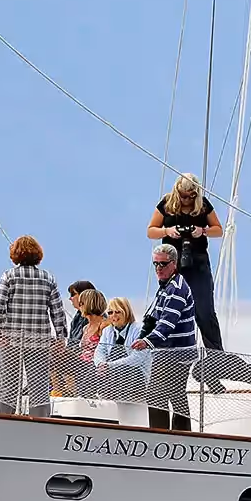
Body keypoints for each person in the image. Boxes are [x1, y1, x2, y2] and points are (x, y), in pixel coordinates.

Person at [104, 242, 198, 431]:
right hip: (168, 352)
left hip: (177, 354)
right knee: (174, 394)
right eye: (155, 264)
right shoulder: (165, 286)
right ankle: (179, 434)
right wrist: (144, 335)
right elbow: (153, 316)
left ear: (174, 264)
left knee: (157, 394)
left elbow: (167, 323)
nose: (158, 268)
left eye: (163, 264)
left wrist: (147, 341)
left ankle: (162, 434)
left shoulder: (177, 289)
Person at [0, 234, 66, 417]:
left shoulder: (8, 276)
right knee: (39, 388)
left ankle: (2, 421)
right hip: (40, 341)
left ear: (15, 254)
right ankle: (40, 423)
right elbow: (57, 311)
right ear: (38, 254)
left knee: (8, 386)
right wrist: (61, 337)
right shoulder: (48, 278)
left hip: (11, 341)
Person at [148, 174, 225, 351]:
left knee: (205, 312)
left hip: (198, 263)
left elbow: (218, 230)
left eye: (191, 195)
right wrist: (167, 231)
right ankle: (166, 352)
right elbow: (151, 231)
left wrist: (203, 231)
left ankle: (216, 355)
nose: (187, 199)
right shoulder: (166, 204)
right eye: (183, 195)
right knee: (171, 309)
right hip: (171, 264)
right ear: (177, 191)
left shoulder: (203, 205)